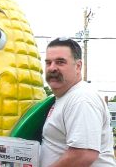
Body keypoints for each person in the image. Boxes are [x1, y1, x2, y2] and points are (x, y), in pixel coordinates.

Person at [40, 37, 116, 166]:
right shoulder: (65, 97)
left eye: (60, 62)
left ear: (78, 66)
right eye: (48, 62)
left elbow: (83, 154)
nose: (52, 68)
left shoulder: (81, 98)